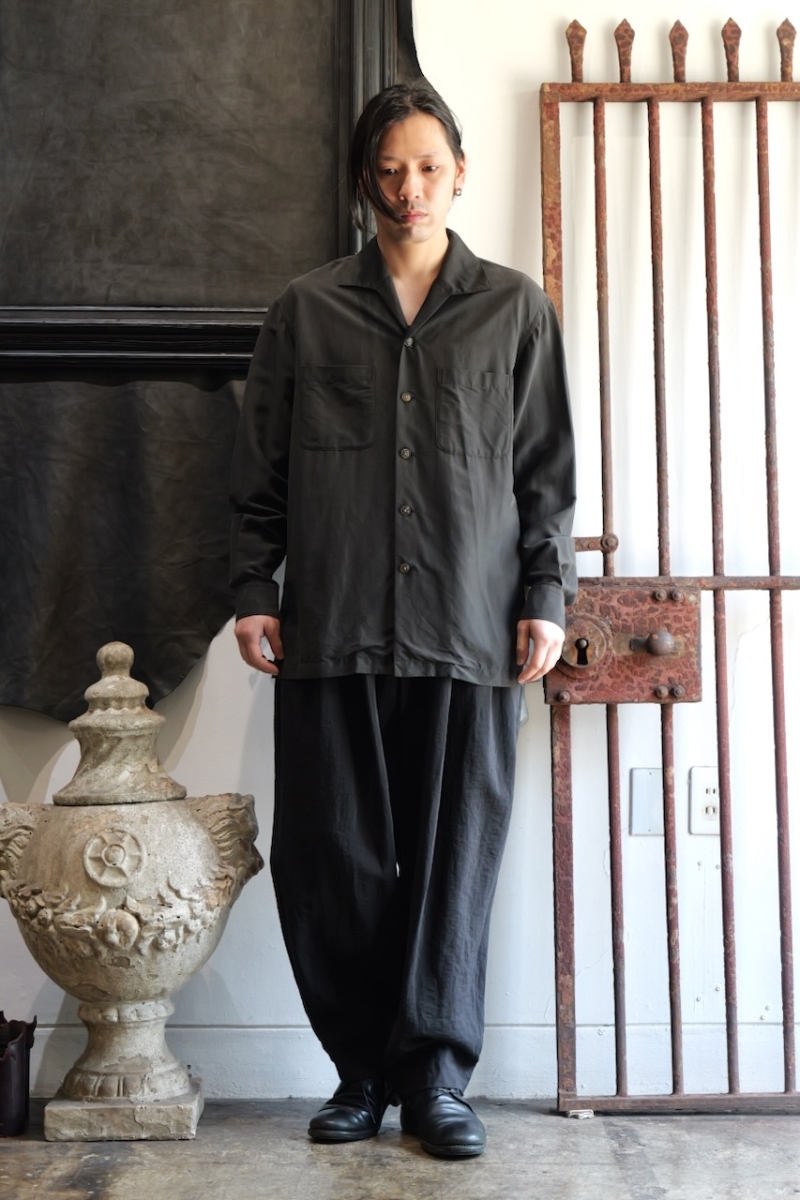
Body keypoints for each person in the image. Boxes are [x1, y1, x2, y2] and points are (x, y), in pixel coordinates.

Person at [230, 81, 576, 1158]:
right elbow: (259, 469)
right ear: (363, 182)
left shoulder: (515, 310)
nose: (408, 188)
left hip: (468, 627)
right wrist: (253, 589)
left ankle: (435, 1081)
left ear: (459, 172)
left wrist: (546, 597)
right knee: (329, 857)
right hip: (332, 622)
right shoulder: (305, 311)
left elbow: (544, 474)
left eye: (427, 166)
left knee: (453, 859)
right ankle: (361, 1073)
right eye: (388, 170)